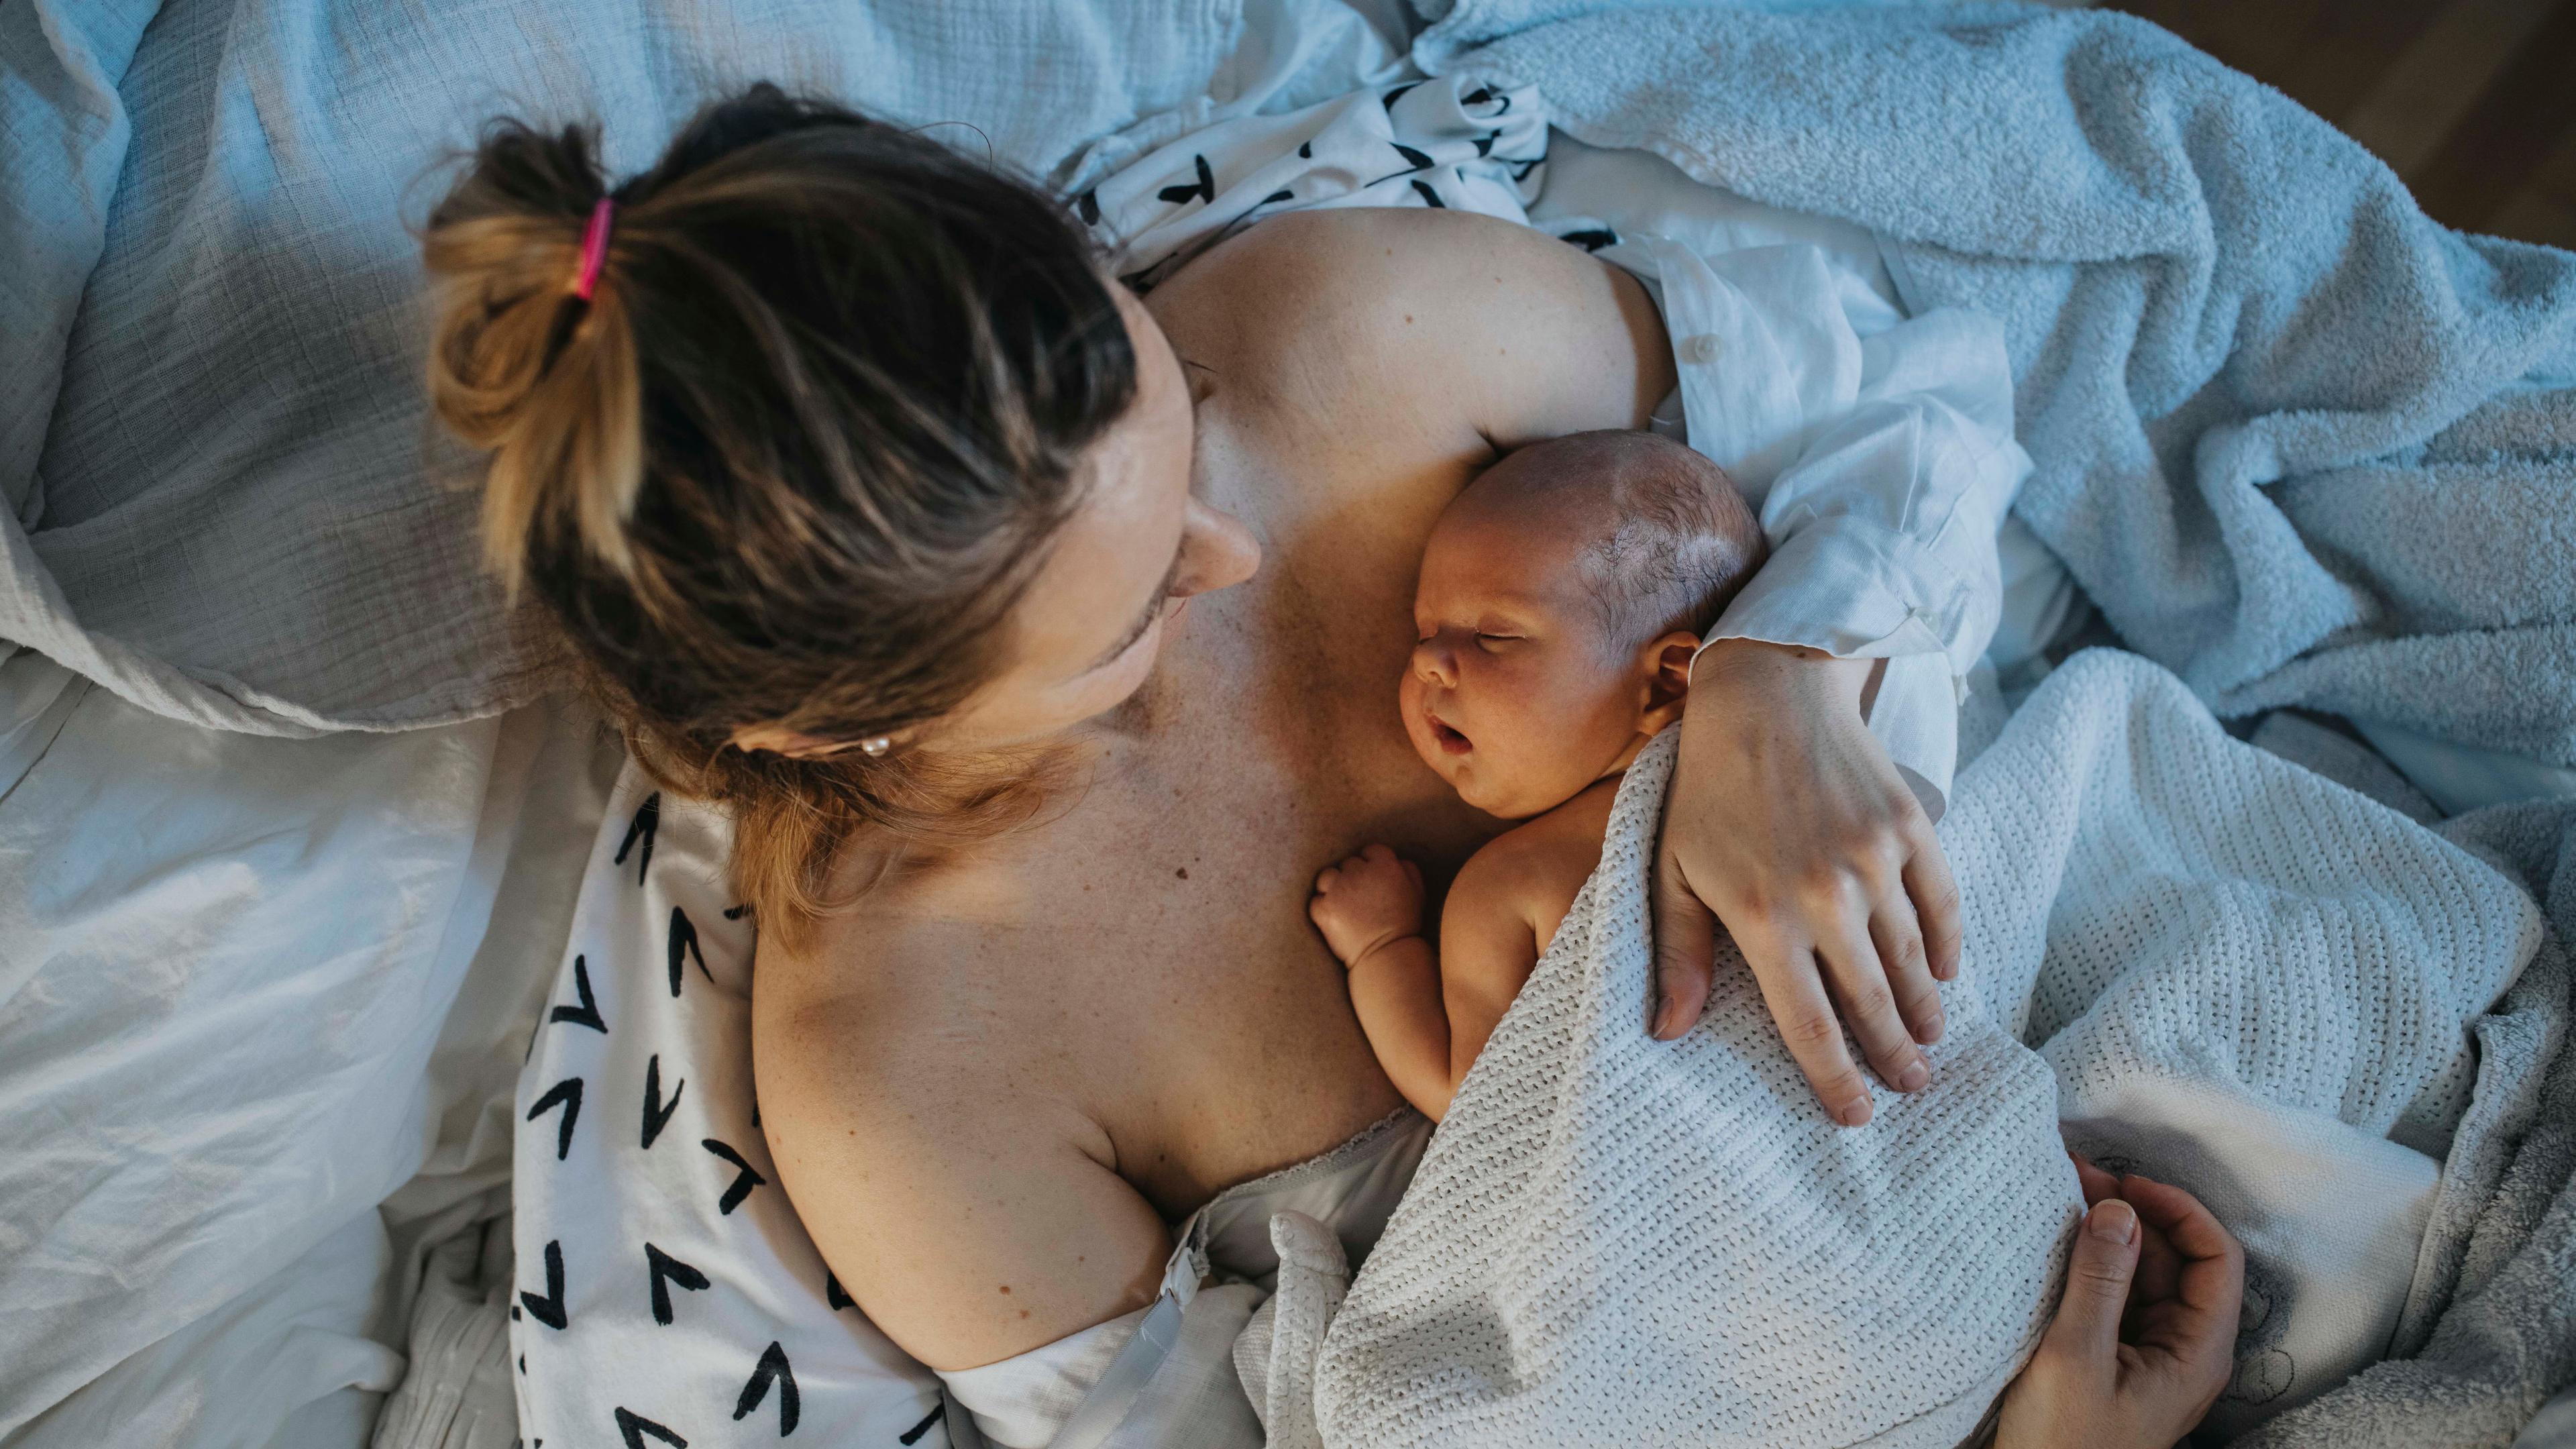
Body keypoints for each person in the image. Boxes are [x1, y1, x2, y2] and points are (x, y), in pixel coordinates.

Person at [420, 85, 2003, 1432]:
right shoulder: (914, 1090)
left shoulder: (1358, 331)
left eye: (1175, 408)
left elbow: (1907, 406)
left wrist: (1780, 672)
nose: (1237, 553)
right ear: (842, 725)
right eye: (1133, 609)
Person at [1308, 431, 1766, 1120]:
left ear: (1665, 683)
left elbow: (1480, 1113)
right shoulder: (1778, 790)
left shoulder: (1514, 886)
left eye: (1495, 636)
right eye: (1424, 630)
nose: (1430, 661)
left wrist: (1381, 948)